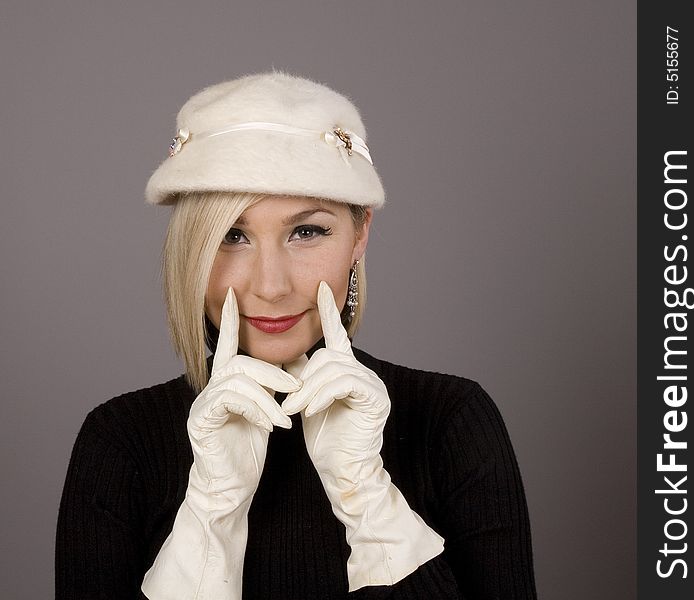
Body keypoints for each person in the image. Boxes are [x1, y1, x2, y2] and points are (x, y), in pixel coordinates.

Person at [55, 71, 537, 599]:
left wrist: (366, 495)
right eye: (232, 235)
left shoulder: (450, 420)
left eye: (307, 232)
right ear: (189, 249)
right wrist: (211, 513)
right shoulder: (119, 440)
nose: (271, 286)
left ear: (360, 234)